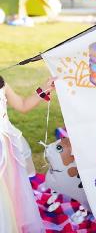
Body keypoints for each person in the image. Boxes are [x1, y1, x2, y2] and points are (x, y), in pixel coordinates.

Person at [0, 75, 55, 233]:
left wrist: (44, 88)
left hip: (6, 149)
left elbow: (23, 105)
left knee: (11, 195)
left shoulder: (2, 83)